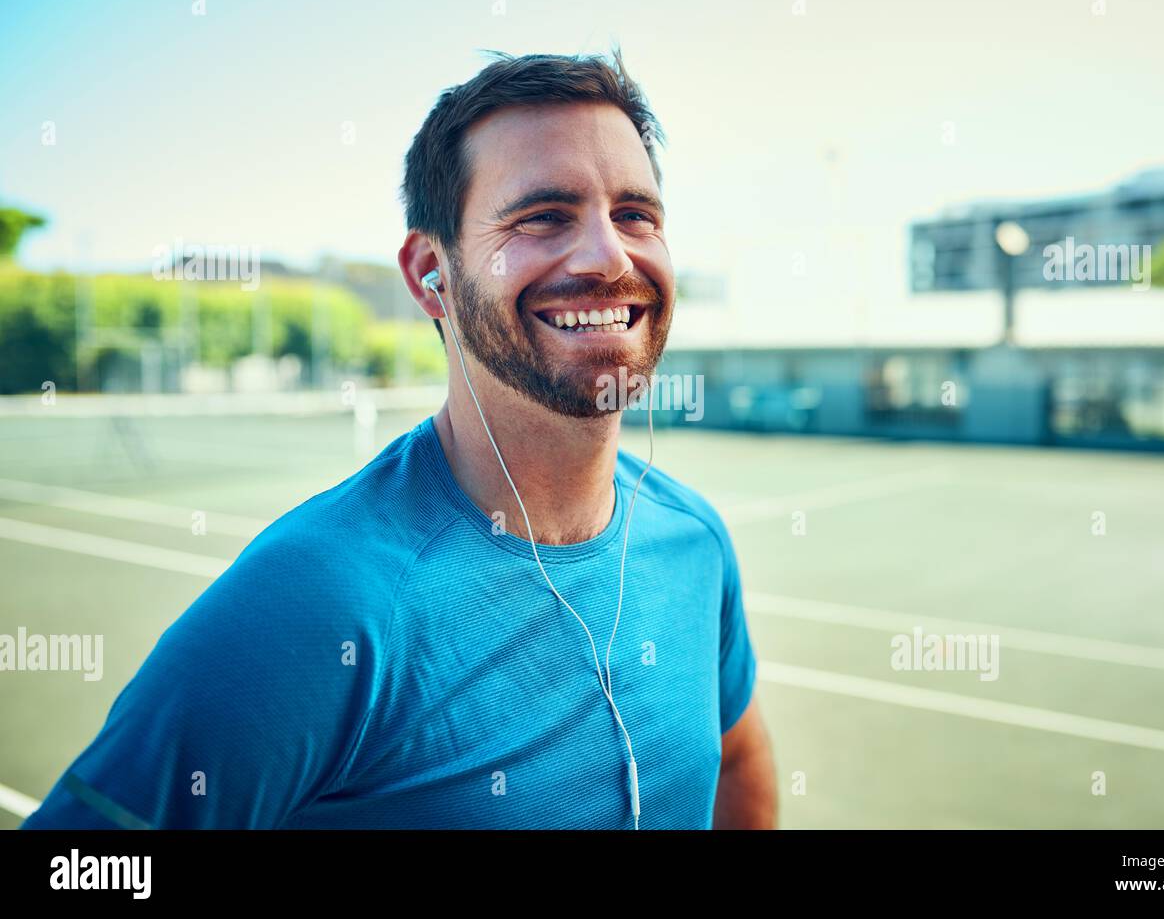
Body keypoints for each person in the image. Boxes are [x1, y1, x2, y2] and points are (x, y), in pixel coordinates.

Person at [22, 49, 777, 830]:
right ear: (428, 274)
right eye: (544, 216)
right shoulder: (312, 603)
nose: (609, 255)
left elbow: (739, 760)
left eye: (635, 215)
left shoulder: (694, 540)